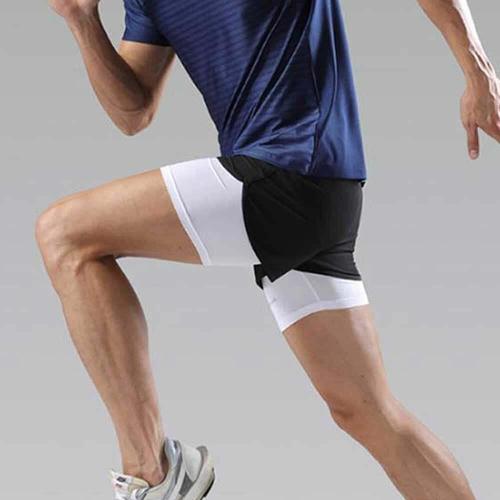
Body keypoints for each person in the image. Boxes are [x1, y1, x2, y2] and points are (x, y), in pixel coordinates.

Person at [36, 0, 499, 498]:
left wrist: (477, 69)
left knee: (64, 234)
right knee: (367, 412)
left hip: (293, 168)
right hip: (305, 190)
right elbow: (133, 112)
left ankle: (153, 472)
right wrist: (82, 21)